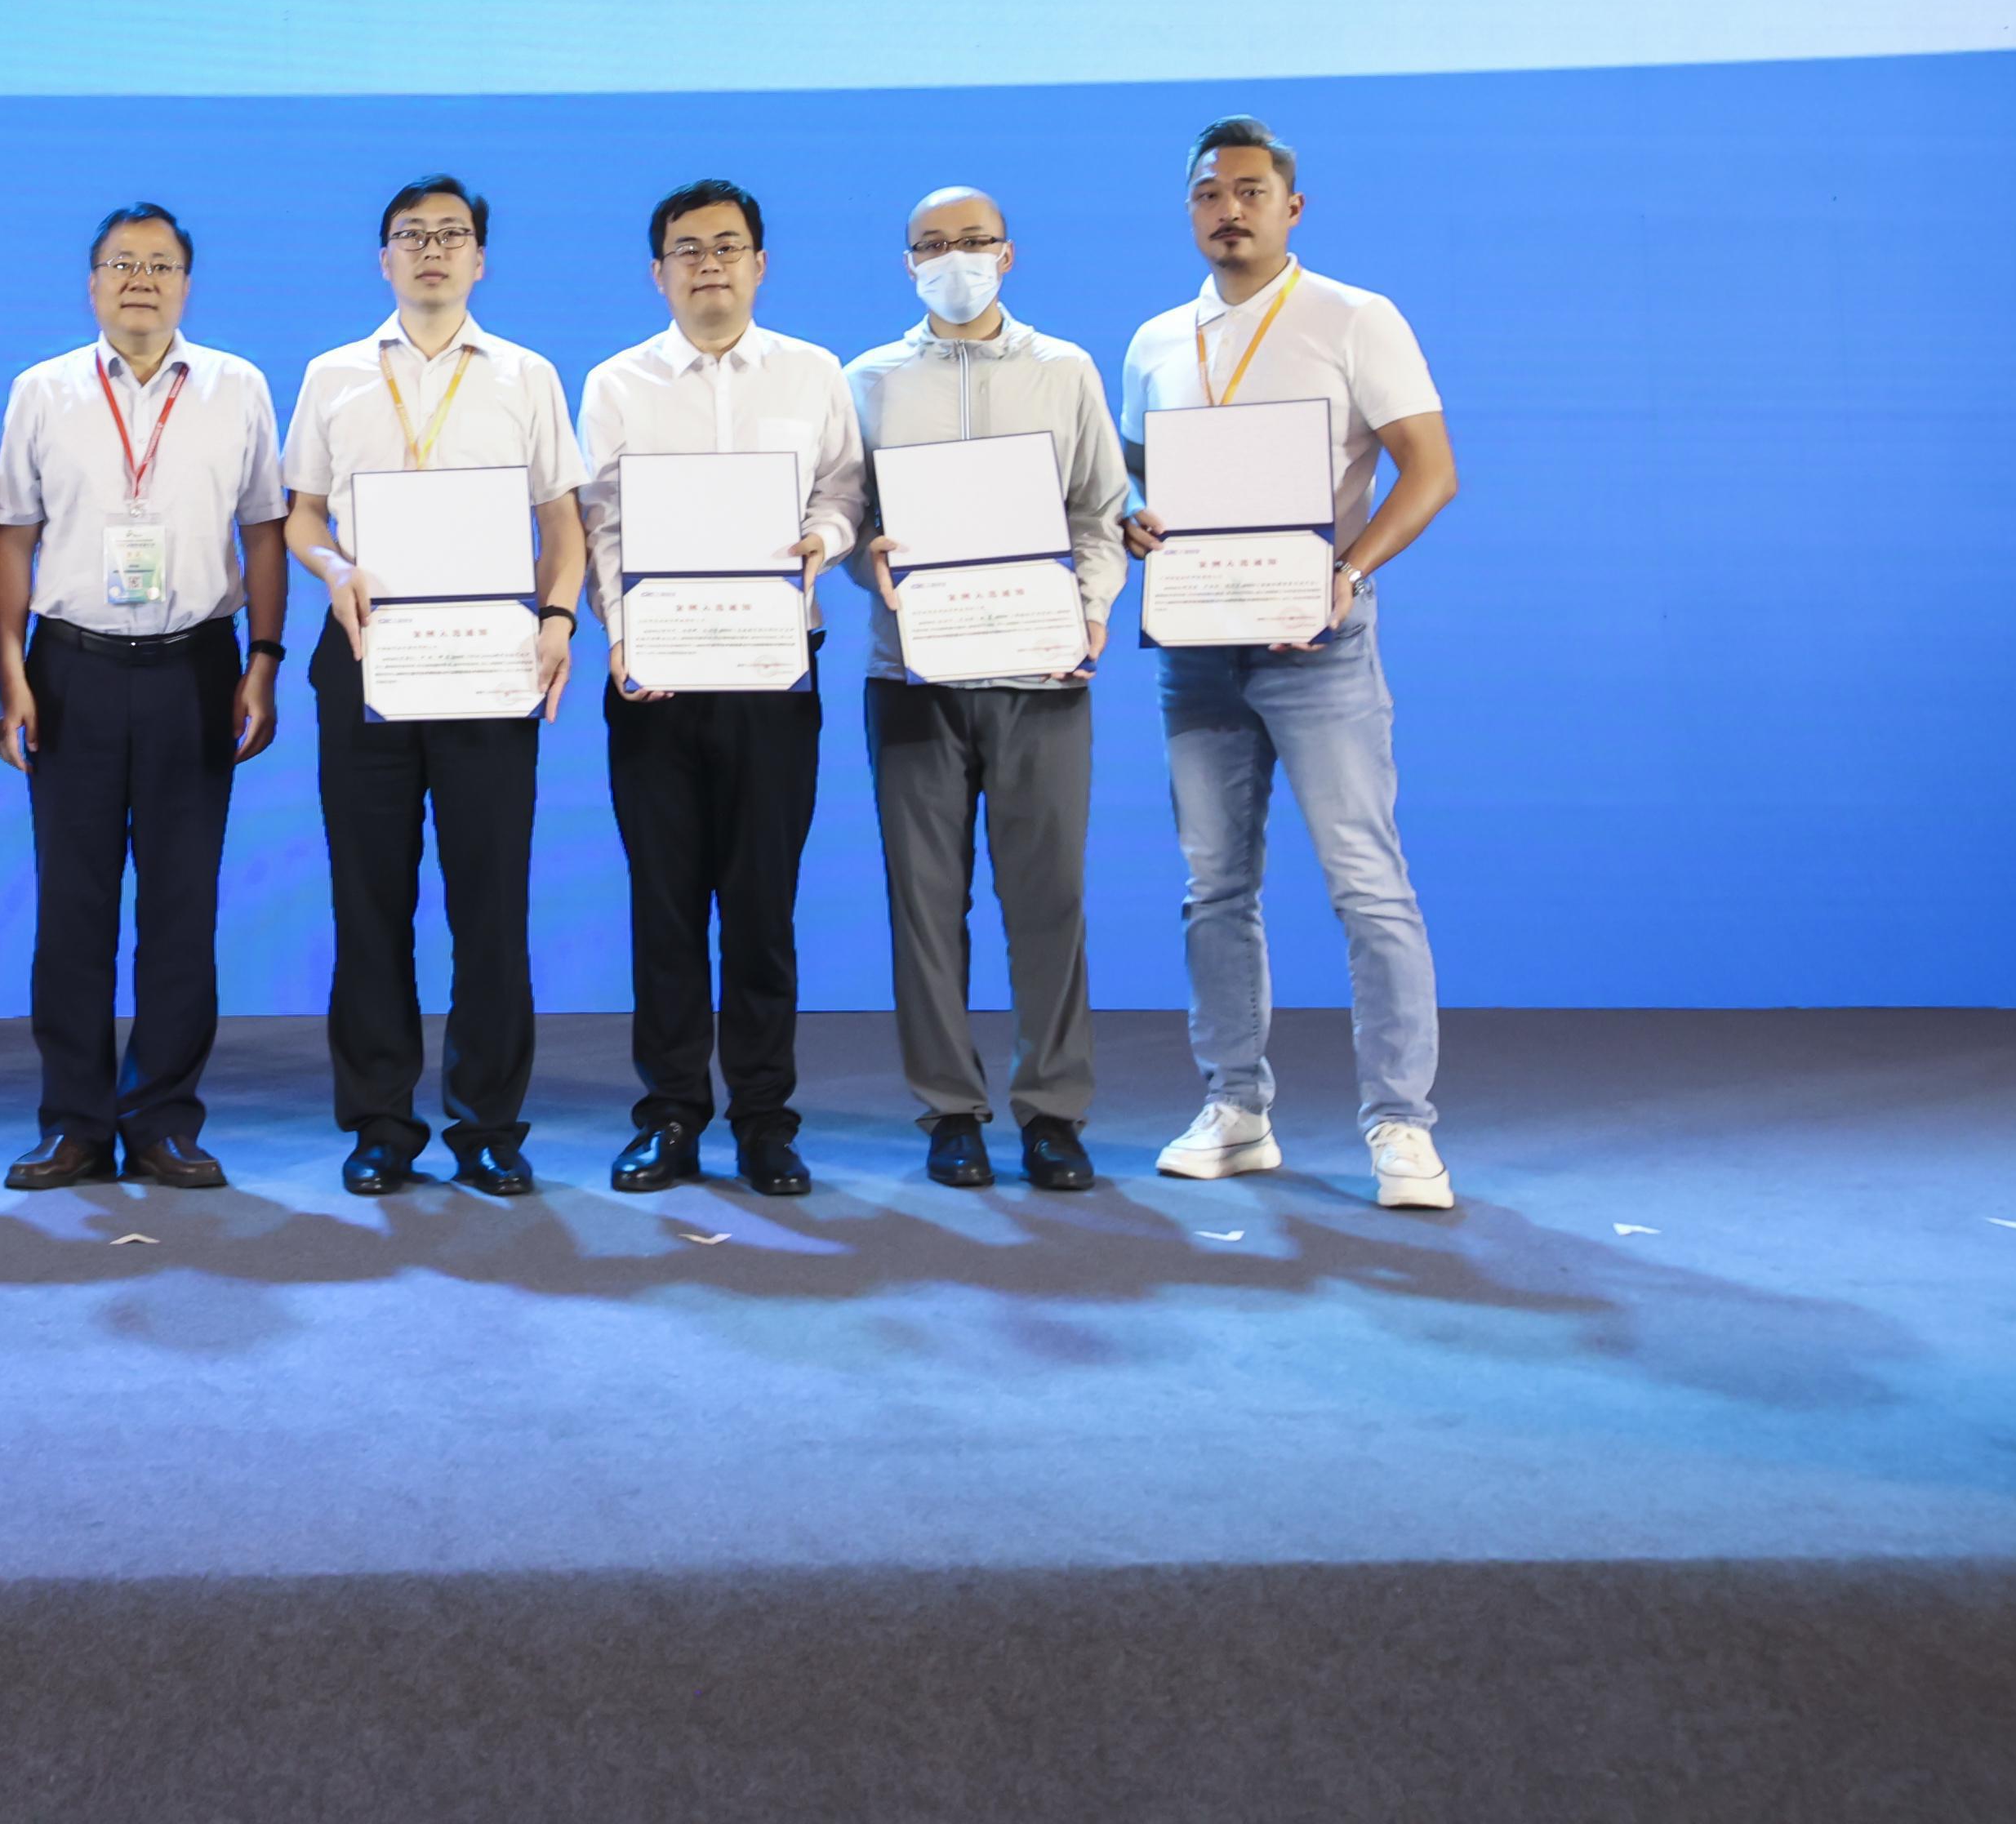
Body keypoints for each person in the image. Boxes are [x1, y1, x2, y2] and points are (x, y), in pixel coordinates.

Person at [1117, 115, 1465, 1212]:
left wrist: (1347, 571)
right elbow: (1143, 482)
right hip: (1197, 652)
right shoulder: (1155, 342)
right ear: (1189, 209)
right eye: (1209, 193)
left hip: (1319, 644)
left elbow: (1431, 471)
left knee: (1366, 884)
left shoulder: (1356, 319)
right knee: (1214, 887)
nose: (1230, 209)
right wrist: (1134, 520)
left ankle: (1401, 1124)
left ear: (1292, 207)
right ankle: (1236, 1108)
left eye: (1252, 191)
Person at [282, 176, 588, 1198]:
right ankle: (379, 1123)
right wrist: (333, 568)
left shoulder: (526, 375)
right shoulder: (332, 375)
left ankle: (490, 1125)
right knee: (369, 899)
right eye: (410, 235)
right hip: (366, 656)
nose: (431, 250)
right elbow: (301, 515)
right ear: (384, 258)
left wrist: (557, 621)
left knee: (490, 903)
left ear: (480, 259)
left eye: (451, 235)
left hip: (491, 664)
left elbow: (564, 525)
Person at [0, 202, 289, 1193]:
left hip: (195, 669)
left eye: (161, 265)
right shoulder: (42, 391)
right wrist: (11, 671)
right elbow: (13, 539)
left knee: (181, 905)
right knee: (71, 907)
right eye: (122, 264)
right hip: (68, 670)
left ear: (187, 284)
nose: (141, 281)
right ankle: (73, 1122)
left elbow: (265, 534)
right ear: (92, 283)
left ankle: (162, 1119)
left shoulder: (239, 387)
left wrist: (264, 659)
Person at [577, 177, 864, 1200]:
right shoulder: (616, 383)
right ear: (658, 272)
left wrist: (823, 540)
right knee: (663, 908)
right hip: (654, 682)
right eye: (688, 250)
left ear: (760, 264)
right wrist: (624, 635)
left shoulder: (813, 373)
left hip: (772, 675)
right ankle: (669, 1114)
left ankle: (764, 1119)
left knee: (760, 907)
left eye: (728, 246)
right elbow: (601, 522)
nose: (709, 265)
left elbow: (844, 489)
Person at [843, 185, 1128, 1197]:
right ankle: (950, 1110)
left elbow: (1099, 510)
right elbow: (847, 519)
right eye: (931, 245)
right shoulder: (868, 381)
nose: (952, 259)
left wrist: (1090, 612)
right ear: (907, 264)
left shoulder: (1066, 370)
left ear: (1007, 255)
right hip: (911, 674)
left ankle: (1053, 1111)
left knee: (1049, 900)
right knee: (924, 905)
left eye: (972, 242)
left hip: (1040, 672)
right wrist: (866, 558)